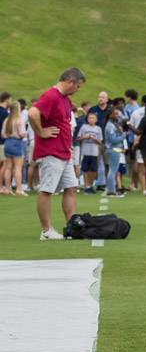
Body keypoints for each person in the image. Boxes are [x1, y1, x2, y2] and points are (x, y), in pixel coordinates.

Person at [29, 68, 87, 239]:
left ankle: (71, 227)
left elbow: (64, 122)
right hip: (51, 152)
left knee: (71, 187)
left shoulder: (64, 99)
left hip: (64, 151)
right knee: (47, 190)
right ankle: (46, 231)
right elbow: (33, 113)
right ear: (70, 81)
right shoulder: (51, 95)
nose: (78, 89)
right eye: (78, 86)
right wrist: (41, 132)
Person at [1, 93, 27, 195]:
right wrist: (23, 135)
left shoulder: (7, 120)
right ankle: (19, 189)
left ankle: (7, 189)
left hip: (7, 143)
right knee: (18, 167)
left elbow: (3, 134)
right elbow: (22, 133)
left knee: (8, 167)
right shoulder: (19, 120)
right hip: (16, 143)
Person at [103, 110, 126, 197]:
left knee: (113, 170)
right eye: (115, 114)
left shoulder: (112, 124)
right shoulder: (110, 126)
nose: (117, 115)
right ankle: (111, 190)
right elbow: (113, 140)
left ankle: (111, 190)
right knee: (113, 170)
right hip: (113, 149)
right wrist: (123, 136)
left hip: (114, 149)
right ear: (110, 115)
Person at [78, 112, 102, 193]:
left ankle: (90, 185)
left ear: (96, 120)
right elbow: (78, 138)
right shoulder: (84, 127)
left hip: (94, 152)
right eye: (90, 118)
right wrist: (85, 137)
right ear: (87, 119)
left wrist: (95, 139)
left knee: (93, 170)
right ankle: (86, 186)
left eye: (93, 118)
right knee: (85, 169)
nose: (91, 120)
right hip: (85, 151)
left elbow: (100, 141)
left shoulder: (98, 129)